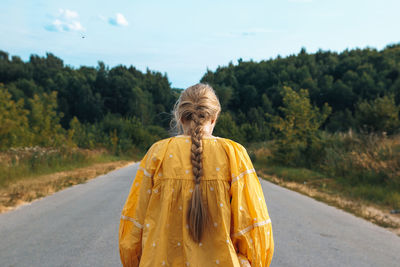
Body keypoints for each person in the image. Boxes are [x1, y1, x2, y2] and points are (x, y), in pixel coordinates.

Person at [119, 83, 274, 267]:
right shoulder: (233, 154)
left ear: (179, 117)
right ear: (214, 118)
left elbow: (134, 223)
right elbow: (253, 225)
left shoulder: (158, 153)